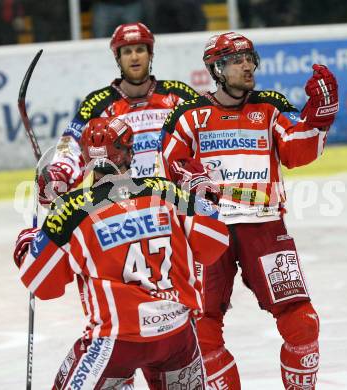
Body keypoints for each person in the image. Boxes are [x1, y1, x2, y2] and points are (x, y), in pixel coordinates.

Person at [159, 32, 339, 389]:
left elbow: (294, 151)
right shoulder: (189, 114)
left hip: (266, 226)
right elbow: (169, 160)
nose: (247, 65)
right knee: (202, 325)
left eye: (249, 58)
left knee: (302, 321)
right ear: (217, 68)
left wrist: (318, 120)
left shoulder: (270, 106)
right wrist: (190, 176)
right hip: (208, 231)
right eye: (236, 60)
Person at [13, 117, 229, 389]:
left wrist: (29, 242)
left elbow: (42, 285)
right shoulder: (166, 191)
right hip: (177, 336)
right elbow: (214, 245)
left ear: (85, 158)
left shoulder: (70, 210)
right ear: (130, 151)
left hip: (116, 341)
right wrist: (204, 198)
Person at [38, 22, 199, 206]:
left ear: (151, 54)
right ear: (118, 58)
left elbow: (203, 139)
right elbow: (71, 145)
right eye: (127, 52)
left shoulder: (179, 94)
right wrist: (58, 173)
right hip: (117, 203)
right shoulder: (98, 103)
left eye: (140, 49)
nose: (134, 57)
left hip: (173, 198)